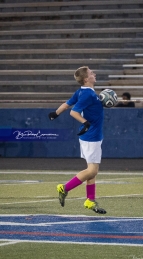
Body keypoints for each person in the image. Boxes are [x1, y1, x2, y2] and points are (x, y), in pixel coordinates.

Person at [48, 66, 106, 214]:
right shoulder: (87, 95)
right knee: (92, 170)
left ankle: (90, 201)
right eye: (91, 73)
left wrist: (55, 113)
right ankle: (65, 188)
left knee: (91, 171)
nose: (94, 73)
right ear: (86, 79)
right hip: (91, 135)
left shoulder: (82, 92)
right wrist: (85, 122)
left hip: (92, 136)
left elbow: (67, 105)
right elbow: (74, 112)